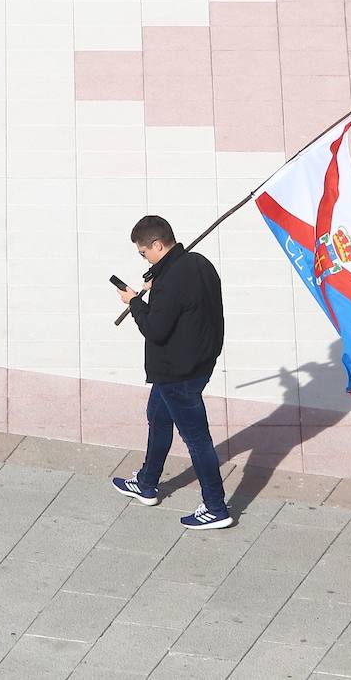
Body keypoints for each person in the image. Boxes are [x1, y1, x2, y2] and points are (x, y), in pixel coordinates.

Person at [112, 215, 232, 529]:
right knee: (158, 416)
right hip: (200, 363)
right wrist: (155, 284)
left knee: (197, 440)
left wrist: (136, 301)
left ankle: (216, 506)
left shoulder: (171, 282)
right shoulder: (199, 264)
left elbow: (156, 329)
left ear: (157, 244)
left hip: (176, 373)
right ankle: (147, 482)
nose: (143, 257)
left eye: (143, 252)